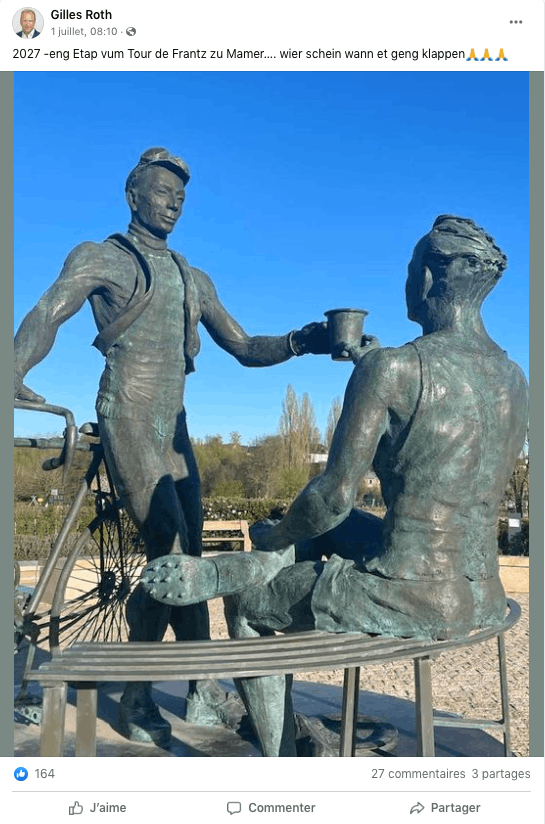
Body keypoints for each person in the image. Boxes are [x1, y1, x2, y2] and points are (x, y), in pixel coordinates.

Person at [141, 215, 529, 756]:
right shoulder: (514, 377)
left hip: (412, 594)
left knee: (248, 603)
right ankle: (259, 566)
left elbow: (332, 494)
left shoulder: (392, 369)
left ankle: (282, 758)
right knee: (333, 532)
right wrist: (380, 369)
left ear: (424, 280)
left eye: (411, 269)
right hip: (482, 591)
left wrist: (275, 536)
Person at [13, 147, 330, 746]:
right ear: (133, 195)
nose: (174, 202)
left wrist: (300, 339)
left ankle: (195, 686)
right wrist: (13, 367)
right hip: (128, 410)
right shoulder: (102, 256)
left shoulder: (193, 276)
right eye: (162, 191)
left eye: (181, 195)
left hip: (175, 423)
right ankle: (146, 696)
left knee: (189, 561)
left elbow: (241, 345)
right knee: (175, 550)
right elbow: (48, 311)